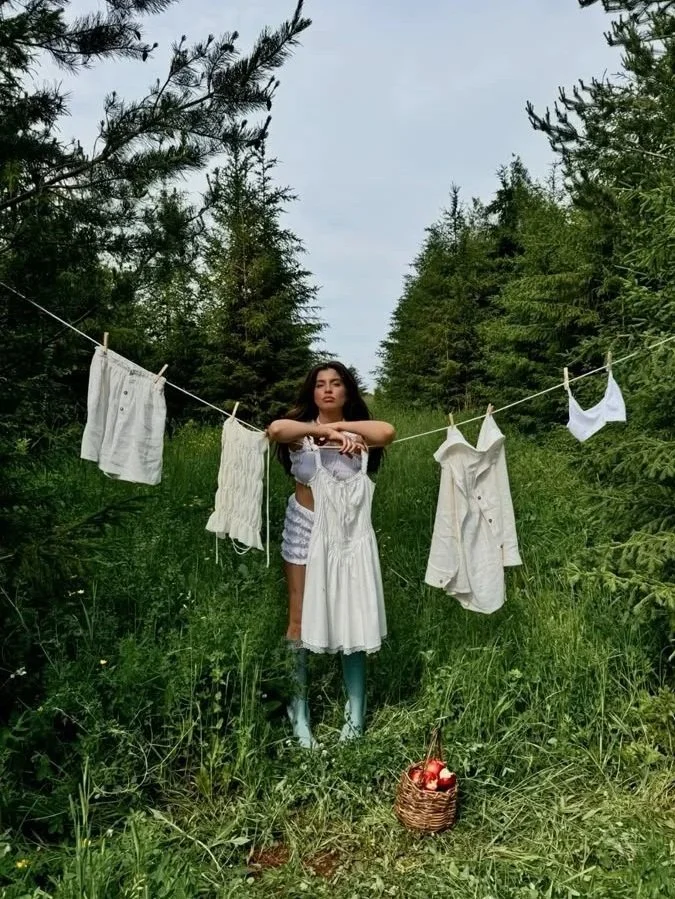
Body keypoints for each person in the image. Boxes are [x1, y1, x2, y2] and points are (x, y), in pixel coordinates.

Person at [266, 362, 395, 748]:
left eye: (336, 384)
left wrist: (346, 430)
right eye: (320, 384)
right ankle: (300, 712)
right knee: (298, 620)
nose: (327, 390)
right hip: (305, 529)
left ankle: (355, 714)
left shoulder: (362, 433)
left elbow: (387, 432)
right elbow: (276, 430)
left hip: (347, 536)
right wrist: (324, 431)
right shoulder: (300, 432)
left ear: (347, 391)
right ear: (312, 392)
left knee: (352, 618)